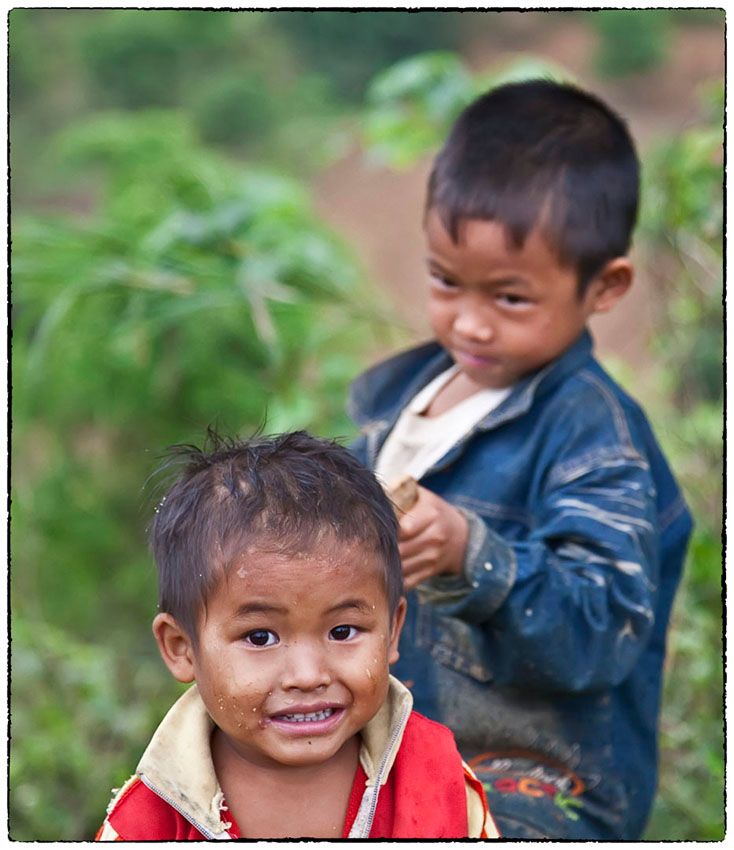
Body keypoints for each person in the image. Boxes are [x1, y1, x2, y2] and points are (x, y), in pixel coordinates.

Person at [348, 79, 693, 840]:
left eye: (509, 299)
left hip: (534, 789)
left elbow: (602, 627)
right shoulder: (397, 398)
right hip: (400, 760)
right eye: (445, 281)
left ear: (604, 286)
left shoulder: (594, 439)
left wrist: (474, 553)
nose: (468, 322)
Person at [96, 431, 498, 840]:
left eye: (342, 631)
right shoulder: (148, 822)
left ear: (393, 631)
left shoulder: (438, 782)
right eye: (259, 638)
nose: (308, 675)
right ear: (181, 648)